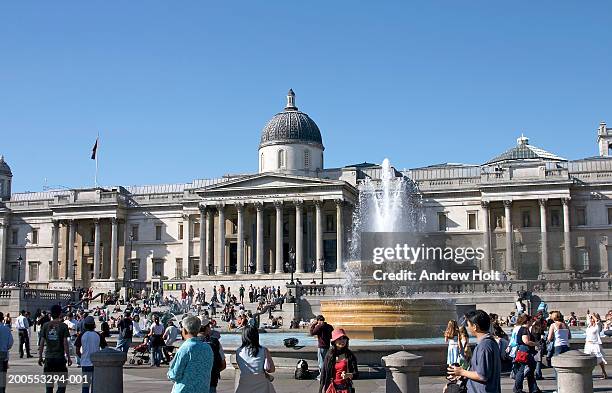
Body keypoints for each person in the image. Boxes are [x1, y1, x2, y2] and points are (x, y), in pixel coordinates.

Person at [447, 310, 501, 393]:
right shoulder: (490, 342)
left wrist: (461, 372)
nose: (468, 327)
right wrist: (463, 375)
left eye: (468, 325)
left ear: (475, 327)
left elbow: (482, 375)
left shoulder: (484, 346)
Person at [167, 316, 213, 393]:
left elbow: (175, 374)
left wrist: (169, 372)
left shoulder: (186, 348)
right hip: (203, 389)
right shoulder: (207, 347)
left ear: (184, 330)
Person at [39, 304, 72, 393]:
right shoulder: (63, 326)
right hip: (59, 358)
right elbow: (65, 343)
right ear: (60, 313)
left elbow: (41, 343)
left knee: (49, 387)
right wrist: (68, 357)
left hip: (49, 358)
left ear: (51, 314)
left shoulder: (45, 326)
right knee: (62, 385)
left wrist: (40, 357)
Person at [235, 326, 276, 393]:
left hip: (244, 386)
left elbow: (244, 369)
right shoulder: (263, 350)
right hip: (262, 386)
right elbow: (271, 369)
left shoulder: (238, 351)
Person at [318, 328, 358, 393]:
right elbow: (324, 373)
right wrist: (321, 389)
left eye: (344, 338)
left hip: (345, 389)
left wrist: (349, 375)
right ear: (334, 341)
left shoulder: (349, 355)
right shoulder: (330, 355)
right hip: (332, 388)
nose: (342, 341)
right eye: (339, 339)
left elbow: (356, 374)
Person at [74, 316, 107, 393]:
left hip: (85, 363)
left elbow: (77, 350)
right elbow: (105, 349)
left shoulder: (82, 335)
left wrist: (82, 357)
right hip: (96, 363)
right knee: (95, 385)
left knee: (85, 385)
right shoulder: (98, 335)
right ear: (94, 325)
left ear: (85, 325)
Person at [511, 315, 541, 393]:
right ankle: (518, 389)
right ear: (527, 321)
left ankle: (533, 389)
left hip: (523, 351)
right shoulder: (524, 329)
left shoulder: (522, 329)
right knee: (522, 370)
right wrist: (536, 344)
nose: (532, 322)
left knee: (529, 371)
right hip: (525, 352)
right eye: (531, 321)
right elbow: (526, 341)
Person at [199, 316, 227, 393]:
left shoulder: (188, 343)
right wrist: (213, 372)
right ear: (207, 327)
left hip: (192, 384)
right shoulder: (214, 342)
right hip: (211, 382)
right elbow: (223, 364)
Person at [584, 313, 608, 379]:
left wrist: (593, 316)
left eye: (592, 318)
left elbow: (597, 321)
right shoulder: (589, 326)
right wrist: (588, 315)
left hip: (595, 344)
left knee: (599, 359)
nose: (591, 319)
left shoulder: (598, 326)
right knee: (587, 358)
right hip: (588, 344)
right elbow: (588, 319)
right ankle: (588, 373)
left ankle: (604, 373)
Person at [310, 315, 334, 379]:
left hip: (321, 346)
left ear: (318, 320)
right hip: (327, 345)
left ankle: (322, 376)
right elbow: (332, 335)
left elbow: (312, 333)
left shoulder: (319, 326)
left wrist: (313, 325)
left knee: (321, 362)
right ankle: (328, 375)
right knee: (326, 361)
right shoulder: (329, 326)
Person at [0, 312, 14, 393]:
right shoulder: (6, 329)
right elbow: (10, 343)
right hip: (3, 353)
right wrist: (5, 347)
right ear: (2, 319)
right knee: (2, 376)